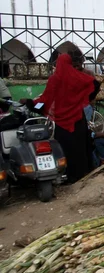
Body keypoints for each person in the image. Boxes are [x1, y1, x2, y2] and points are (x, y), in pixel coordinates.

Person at [21, 53, 99, 183]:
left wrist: (30, 103)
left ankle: (68, 176)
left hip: (62, 123)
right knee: (80, 147)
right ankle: (83, 174)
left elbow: (45, 100)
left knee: (65, 149)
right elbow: (95, 84)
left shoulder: (55, 79)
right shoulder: (77, 76)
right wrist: (83, 99)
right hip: (78, 119)